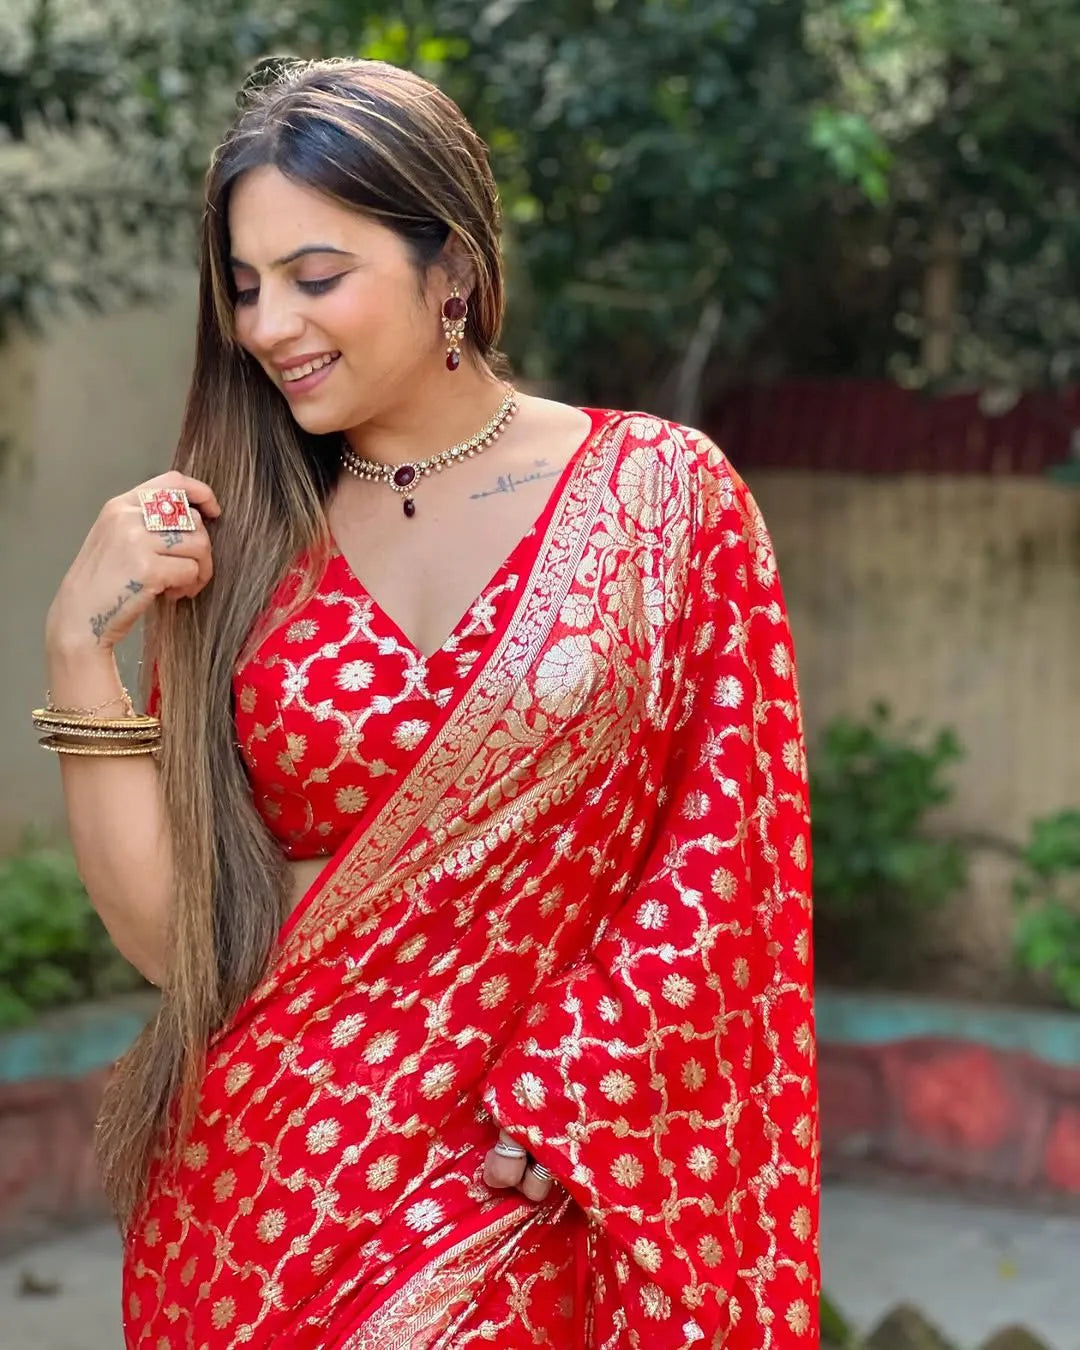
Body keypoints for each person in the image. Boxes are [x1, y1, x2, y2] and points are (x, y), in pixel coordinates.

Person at [40, 56, 819, 1348]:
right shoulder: (239, 547)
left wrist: (585, 1084)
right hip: (258, 1205)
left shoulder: (660, 498)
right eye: (243, 287)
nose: (269, 325)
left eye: (316, 276)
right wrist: (79, 648)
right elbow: (183, 939)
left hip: (522, 1181)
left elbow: (731, 845)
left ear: (449, 268)